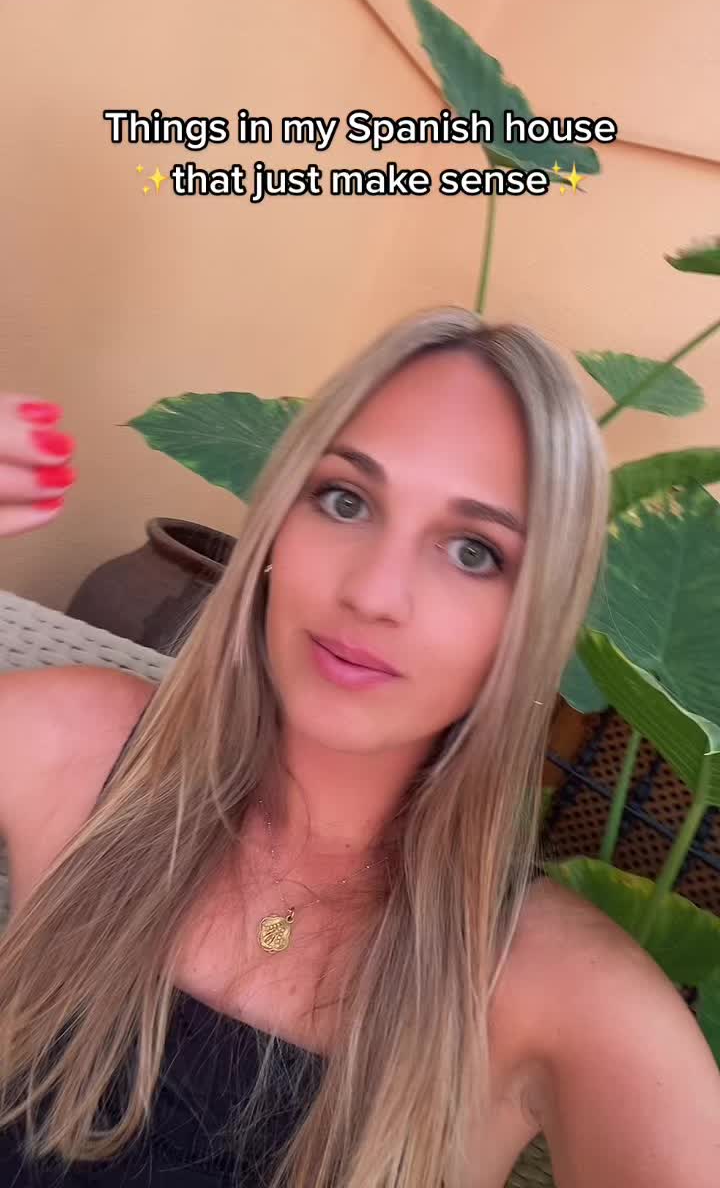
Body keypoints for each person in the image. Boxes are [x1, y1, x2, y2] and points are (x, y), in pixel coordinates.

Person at [0, 307, 717, 1188]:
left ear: (531, 628)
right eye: (345, 501)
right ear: (276, 528)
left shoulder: (562, 994)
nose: (374, 593)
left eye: (474, 552)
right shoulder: (74, 750)